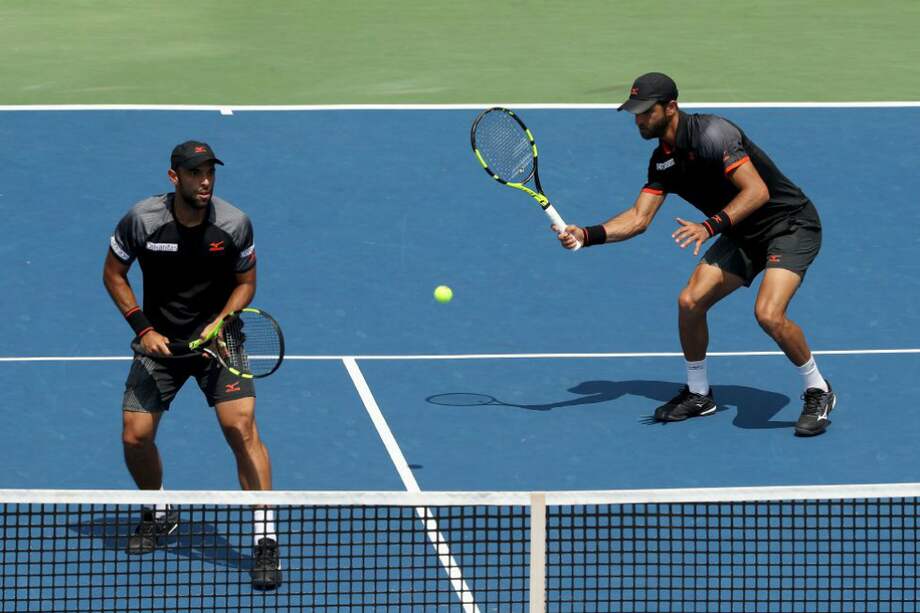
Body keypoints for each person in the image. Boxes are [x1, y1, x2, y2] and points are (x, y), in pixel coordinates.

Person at [555, 72, 836, 436]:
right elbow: (639, 219)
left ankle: (818, 389)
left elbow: (757, 192)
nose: (638, 120)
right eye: (634, 112)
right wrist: (587, 235)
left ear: (670, 107)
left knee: (768, 313)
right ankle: (699, 394)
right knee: (690, 301)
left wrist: (708, 226)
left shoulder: (713, 134)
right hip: (742, 232)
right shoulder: (663, 162)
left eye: (644, 112)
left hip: (789, 225)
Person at [102, 140, 281, 589]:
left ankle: (265, 540)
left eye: (210, 172)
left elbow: (246, 283)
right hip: (159, 341)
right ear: (173, 177)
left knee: (241, 429)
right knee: (134, 436)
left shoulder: (233, 223)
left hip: (219, 343)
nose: (205, 181)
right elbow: (113, 274)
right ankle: (160, 511)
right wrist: (143, 329)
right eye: (195, 172)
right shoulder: (143, 220)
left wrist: (221, 322)